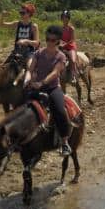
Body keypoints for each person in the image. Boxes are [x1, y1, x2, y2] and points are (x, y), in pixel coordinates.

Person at [26, 25, 72, 157]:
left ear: (58, 41)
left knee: (60, 111)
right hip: (36, 86)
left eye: (53, 40)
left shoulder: (61, 56)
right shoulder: (38, 53)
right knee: (20, 105)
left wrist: (41, 83)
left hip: (52, 87)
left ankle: (65, 142)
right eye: (47, 39)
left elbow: (55, 73)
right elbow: (30, 69)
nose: (49, 42)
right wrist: (27, 80)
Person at [0, 3, 39, 84]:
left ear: (29, 14)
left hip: (29, 52)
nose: (21, 14)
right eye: (20, 12)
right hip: (17, 51)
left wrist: (26, 41)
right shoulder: (17, 23)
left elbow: (36, 43)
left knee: (30, 68)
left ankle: (31, 87)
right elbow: (1, 25)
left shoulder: (33, 26)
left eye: (23, 13)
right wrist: (2, 16)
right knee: (3, 69)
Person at [59, 10, 79, 83]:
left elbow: (72, 39)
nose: (64, 19)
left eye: (66, 17)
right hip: (62, 47)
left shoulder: (71, 28)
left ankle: (73, 76)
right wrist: (60, 43)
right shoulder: (61, 28)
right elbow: (60, 38)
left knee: (73, 61)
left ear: (68, 18)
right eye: (63, 17)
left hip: (71, 47)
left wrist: (64, 44)